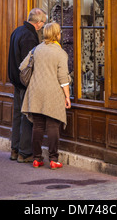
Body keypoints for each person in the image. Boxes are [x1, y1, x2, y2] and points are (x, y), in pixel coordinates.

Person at [20, 22, 71, 169]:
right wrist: (67, 97)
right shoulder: (60, 53)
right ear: (57, 35)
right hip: (53, 93)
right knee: (53, 126)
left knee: (38, 126)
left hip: (35, 91)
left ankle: (37, 158)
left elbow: (22, 66)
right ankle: (54, 159)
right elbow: (63, 79)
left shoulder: (36, 49)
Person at [8, 8, 47, 163]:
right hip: (25, 83)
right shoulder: (30, 37)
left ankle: (14, 149)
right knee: (26, 117)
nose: (43, 26)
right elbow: (27, 65)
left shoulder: (17, 31)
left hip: (16, 82)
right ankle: (24, 153)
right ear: (38, 23)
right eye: (43, 23)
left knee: (17, 115)